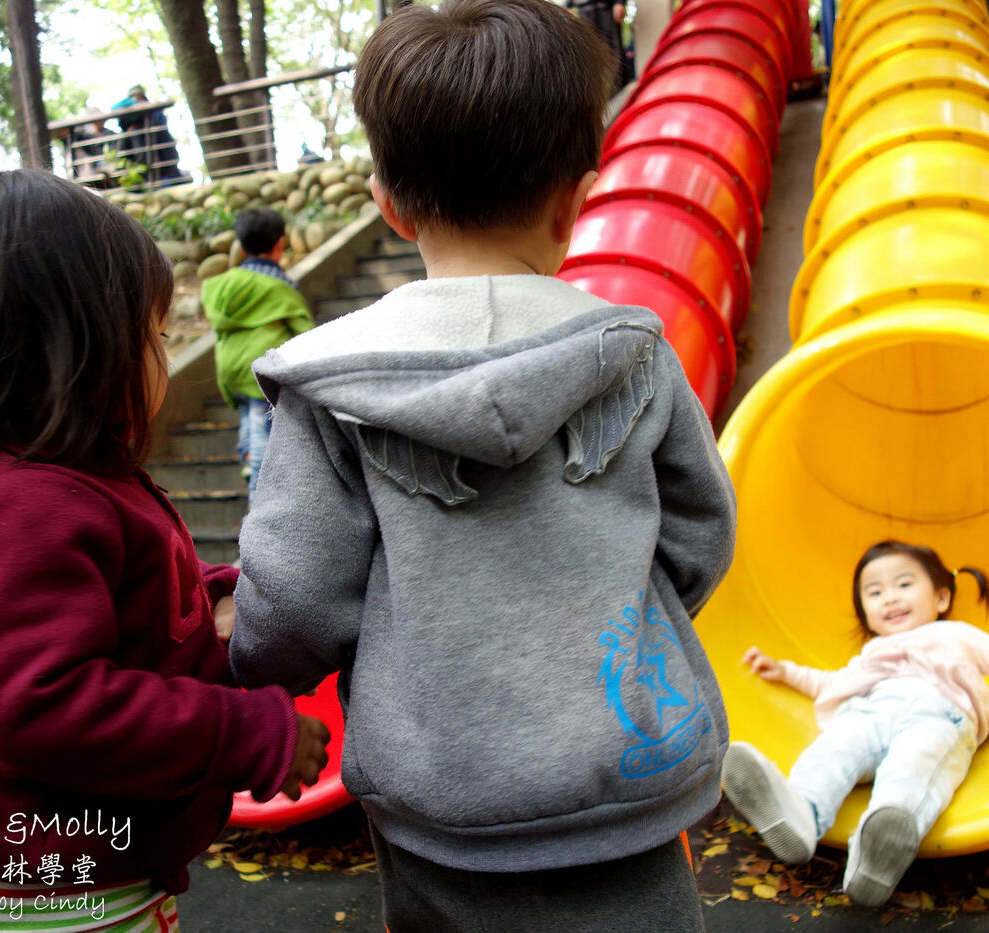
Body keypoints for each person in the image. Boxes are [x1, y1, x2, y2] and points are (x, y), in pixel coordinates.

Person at [228, 0, 738, 929]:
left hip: (438, 798)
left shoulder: (330, 386)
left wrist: (255, 666)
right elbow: (701, 533)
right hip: (628, 774)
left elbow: (297, 594)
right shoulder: (635, 354)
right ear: (575, 199)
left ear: (388, 202)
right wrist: (623, 629)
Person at [0, 169, 330, 931]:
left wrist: (221, 589)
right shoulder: (16, 507)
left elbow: (135, 592)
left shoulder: (73, 487)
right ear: (71, 352)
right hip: (57, 897)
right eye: (150, 335)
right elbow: (47, 701)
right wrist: (251, 732)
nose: (158, 352)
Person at [723, 540, 989, 908]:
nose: (890, 598)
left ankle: (879, 851)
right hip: (869, 715)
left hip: (938, 716)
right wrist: (783, 671)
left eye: (903, 584)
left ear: (940, 597)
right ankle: (800, 815)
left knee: (913, 766)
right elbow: (832, 682)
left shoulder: (957, 635)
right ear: (865, 611)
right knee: (834, 749)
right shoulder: (874, 652)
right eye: (875, 592)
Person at [201, 208, 314, 500]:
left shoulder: (220, 286)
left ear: (239, 246)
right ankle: (258, 494)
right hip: (260, 371)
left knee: (248, 420)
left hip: (230, 369)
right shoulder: (281, 286)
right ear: (280, 244)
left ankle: (248, 458)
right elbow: (305, 331)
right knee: (263, 428)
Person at [112, 85, 190, 188]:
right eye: (133, 97)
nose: (136, 100)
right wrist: (135, 106)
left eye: (139, 98)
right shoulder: (127, 116)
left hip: (160, 155)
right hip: (138, 157)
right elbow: (114, 109)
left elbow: (163, 133)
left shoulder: (155, 112)